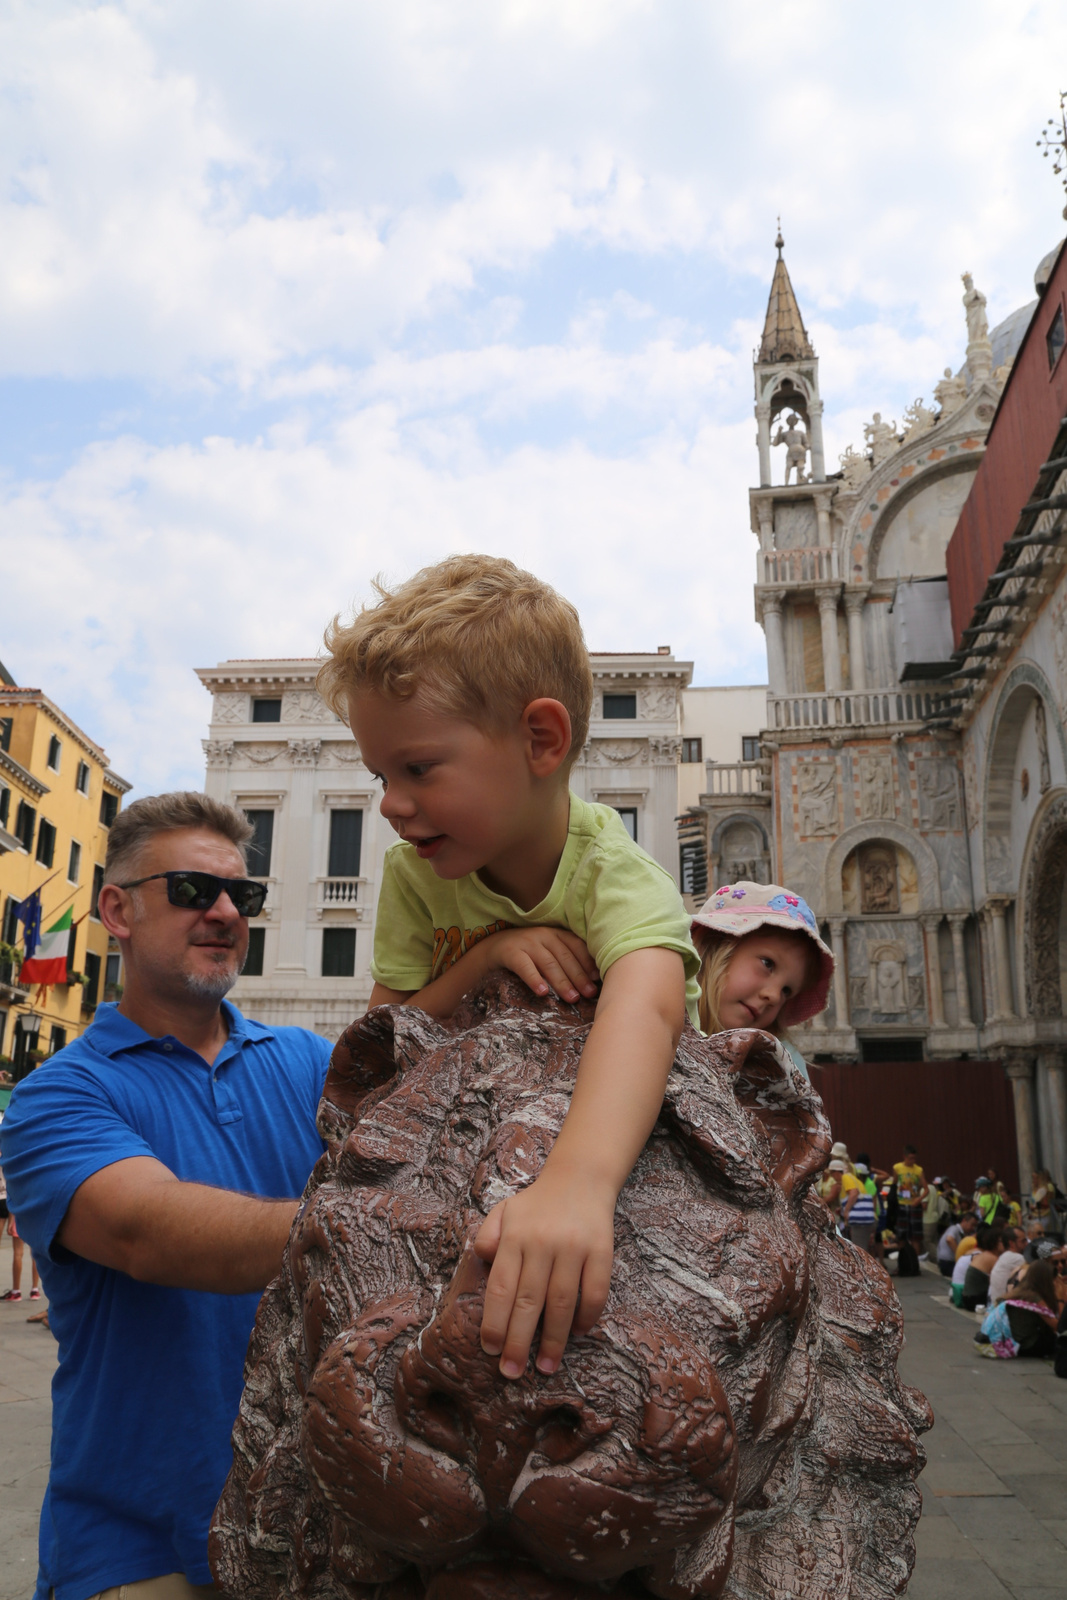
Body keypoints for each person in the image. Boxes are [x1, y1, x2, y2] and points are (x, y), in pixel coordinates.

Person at [319, 554, 703, 1384]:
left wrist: (578, 1184)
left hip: (619, 1153)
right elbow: (382, 1038)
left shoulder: (612, 873)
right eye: (380, 774)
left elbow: (647, 1011)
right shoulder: (414, 876)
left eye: (417, 768)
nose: (388, 801)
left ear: (540, 739)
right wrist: (487, 957)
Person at [0, 793, 333, 1600]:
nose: (223, 912)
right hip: (140, 1547)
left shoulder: (310, 1062)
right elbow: (153, 1234)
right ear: (116, 908)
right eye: (191, 890)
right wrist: (399, 1226)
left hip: (316, 1530)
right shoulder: (58, 1097)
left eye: (241, 896)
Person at [688, 881, 834, 1076]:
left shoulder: (780, 1067)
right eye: (768, 963)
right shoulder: (655, 1017)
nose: (774, 996)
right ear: (716, 943)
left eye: (786, 991)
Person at [977, 1261, 1060, 1359]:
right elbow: (1057, 1326)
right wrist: (1062, 1297)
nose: (1055, 1283)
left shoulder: (1020, 1291)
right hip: (1027, 1345)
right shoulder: (1034, 1298)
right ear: (1045, 1280)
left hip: (1015, 1342)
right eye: (1053, 1280)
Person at [893, 1144, 928, 1256]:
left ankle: (916, 1261)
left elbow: (926, 1189)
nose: (912, 1161)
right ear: (905, 1156)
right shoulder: (897, 1168)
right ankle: (903, 1261)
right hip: (902, 1203)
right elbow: (894, 1185)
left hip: (914, 1204)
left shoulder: (918, 1170)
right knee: (901, 1235)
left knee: (915, 1236)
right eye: (910, 1158)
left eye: (914, 1158)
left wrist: (919, 1199)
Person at [961, 1225, 1005, 1312]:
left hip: (967, 1298)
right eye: (1002, 1241)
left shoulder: (984, 1254)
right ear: (994, 1243)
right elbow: (997, 1283)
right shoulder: (993, 1259)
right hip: (975, 1301)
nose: (1005, 1244)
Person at [843, 1161, 879, 1255]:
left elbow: (872, 1204)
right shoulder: (867, 1183)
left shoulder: (865, 1184)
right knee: (866, 1246)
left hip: (864, 1218)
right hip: (869, 1217)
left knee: (861, 1248)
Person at [988, 1226, 1028, 1304]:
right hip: (1005, 1307)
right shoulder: (1018, 1258)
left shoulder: (1004, 1256)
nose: (1027, 1244)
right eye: (1023, 1241)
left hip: (996, 1305)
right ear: (1011, 1244)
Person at [938, 1211, 978, 1278]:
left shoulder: (965, 1234)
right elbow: (949, 1239)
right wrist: (959, 1255)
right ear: (964, 1220)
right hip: (947, 1263)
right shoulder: (954, 1229)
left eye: (975, 1226)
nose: (973, 1228)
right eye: (972, 1225)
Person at [922, 1176, 953, 1262]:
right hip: (936, 1218)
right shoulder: (933, 1189)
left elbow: (924, 1206)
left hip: (928, 1219)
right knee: (934, 1240)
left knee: (927, 1241)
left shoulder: (924, 1190)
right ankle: (939, 1257)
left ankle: (938, 1259)